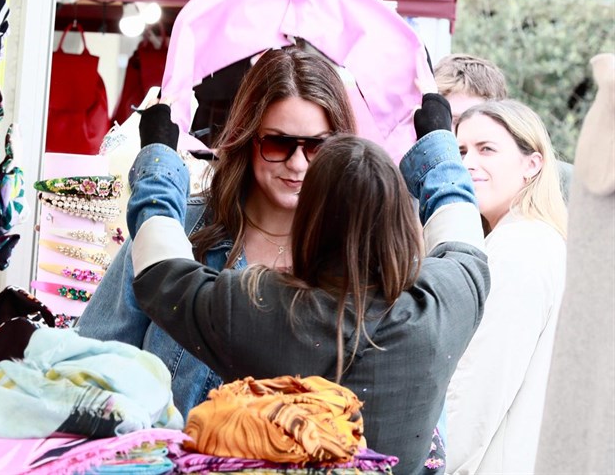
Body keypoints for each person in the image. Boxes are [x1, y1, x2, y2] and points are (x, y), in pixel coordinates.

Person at [125, 93, 490, 475]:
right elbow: (459, 224)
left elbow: (160, 272)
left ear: (309, 220)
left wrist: (159, 156)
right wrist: (438, 144)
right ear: (400, 216)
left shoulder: (261, 309)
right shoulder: (446, 303)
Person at [75, 46, 357, 417]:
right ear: (247, 138)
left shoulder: (355, 253)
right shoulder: (180, 228)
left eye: (317, 147)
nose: (297, 163)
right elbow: (92, 363)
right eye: (278, 143)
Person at [446, 100, 568, 474]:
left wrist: (435, 465)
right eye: (460, 150)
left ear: (532, 164)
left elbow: (480, 386)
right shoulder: (527, 239)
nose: (468, 163)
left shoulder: (521, 248)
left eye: (487, 149)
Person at [434, 52, 573, 201]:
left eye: (468, 119)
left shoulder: (566, 185)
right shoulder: (427, 182)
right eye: (445, 120)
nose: (457, 133)